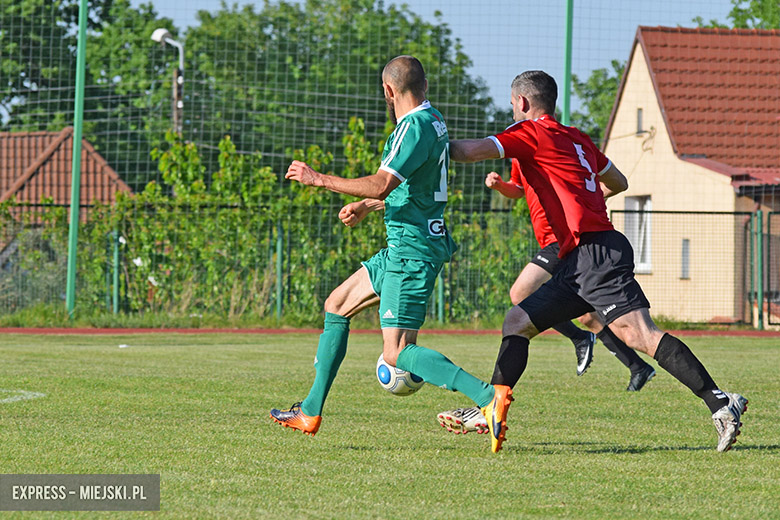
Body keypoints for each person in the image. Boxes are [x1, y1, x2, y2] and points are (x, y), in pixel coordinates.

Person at [446, 70, 747, 452]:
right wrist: (584, 201)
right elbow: (619, 182)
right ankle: (492, 406)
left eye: (512, 104)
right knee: (517, 320)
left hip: (595, 252)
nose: (512, 110)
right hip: (578, 257)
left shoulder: (531, 134)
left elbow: (468, 151)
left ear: (522, 103)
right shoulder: (576, 138)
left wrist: (427, 135)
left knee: (639, 334)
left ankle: (721, 403)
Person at [269, 55, 512, 453]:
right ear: (425, 85)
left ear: (388, 91)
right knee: (337, 305)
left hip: (411, 252)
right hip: (404, 245)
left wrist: (319, 179)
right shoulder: (433, 122)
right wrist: (369, 207)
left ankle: (487, 398)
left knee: (396, 353)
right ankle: (310, 411)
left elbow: (382, 183)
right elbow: (411, 190)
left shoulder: (413, 126)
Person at [437, 158, 656, 435]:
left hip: (562, 239)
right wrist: (501, 186)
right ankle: (637, 367)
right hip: (555, 242)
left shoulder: (554, 148)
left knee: (519, 293)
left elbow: (604, 184)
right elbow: (519, 189)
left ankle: (577, 339)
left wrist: (585, 202)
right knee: (588, 314)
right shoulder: (520, 154)